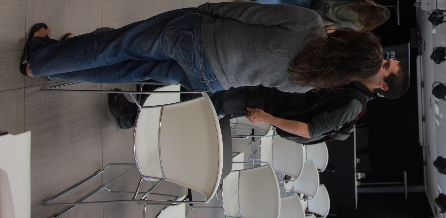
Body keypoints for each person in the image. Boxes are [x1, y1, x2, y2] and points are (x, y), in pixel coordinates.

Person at [20, 2, 403, 96]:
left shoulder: (309, 23)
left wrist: (204, 10)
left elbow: (245, 12)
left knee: (117, 45)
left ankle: (40, 59)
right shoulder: (312, 82)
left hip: (201, 37)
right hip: (210, 79)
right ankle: (58, 68)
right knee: (130, 69)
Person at [107, 77, 409, 144]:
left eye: (385, 65)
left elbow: (309, 130)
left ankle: (135, 119)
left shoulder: (354, 105)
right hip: (268, 90)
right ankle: (149, 102)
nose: (380, 61)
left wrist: (268, 118)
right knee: (205, 95)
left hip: (265, 104)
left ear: (383, 85)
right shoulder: (353, 81)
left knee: (205, 106)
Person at [252, 0, 390, 32]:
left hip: (316, 0)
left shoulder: (362, 1)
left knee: (282, 2)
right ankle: (258, 13)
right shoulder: (359, 25)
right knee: (285, 15)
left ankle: (255, 0)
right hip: (314, 16)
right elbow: (336, 26)